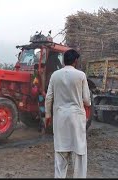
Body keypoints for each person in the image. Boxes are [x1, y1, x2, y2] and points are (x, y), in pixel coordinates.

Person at [45, 49, 91, 178]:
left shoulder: (55, 75)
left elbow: (49, 97)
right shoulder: (81, 75)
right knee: (79, 153)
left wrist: (48, 115)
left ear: (63, 60)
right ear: (75, 61)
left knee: (60, 153)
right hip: (76, 118)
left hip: (60, 118)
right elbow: (87, 100)